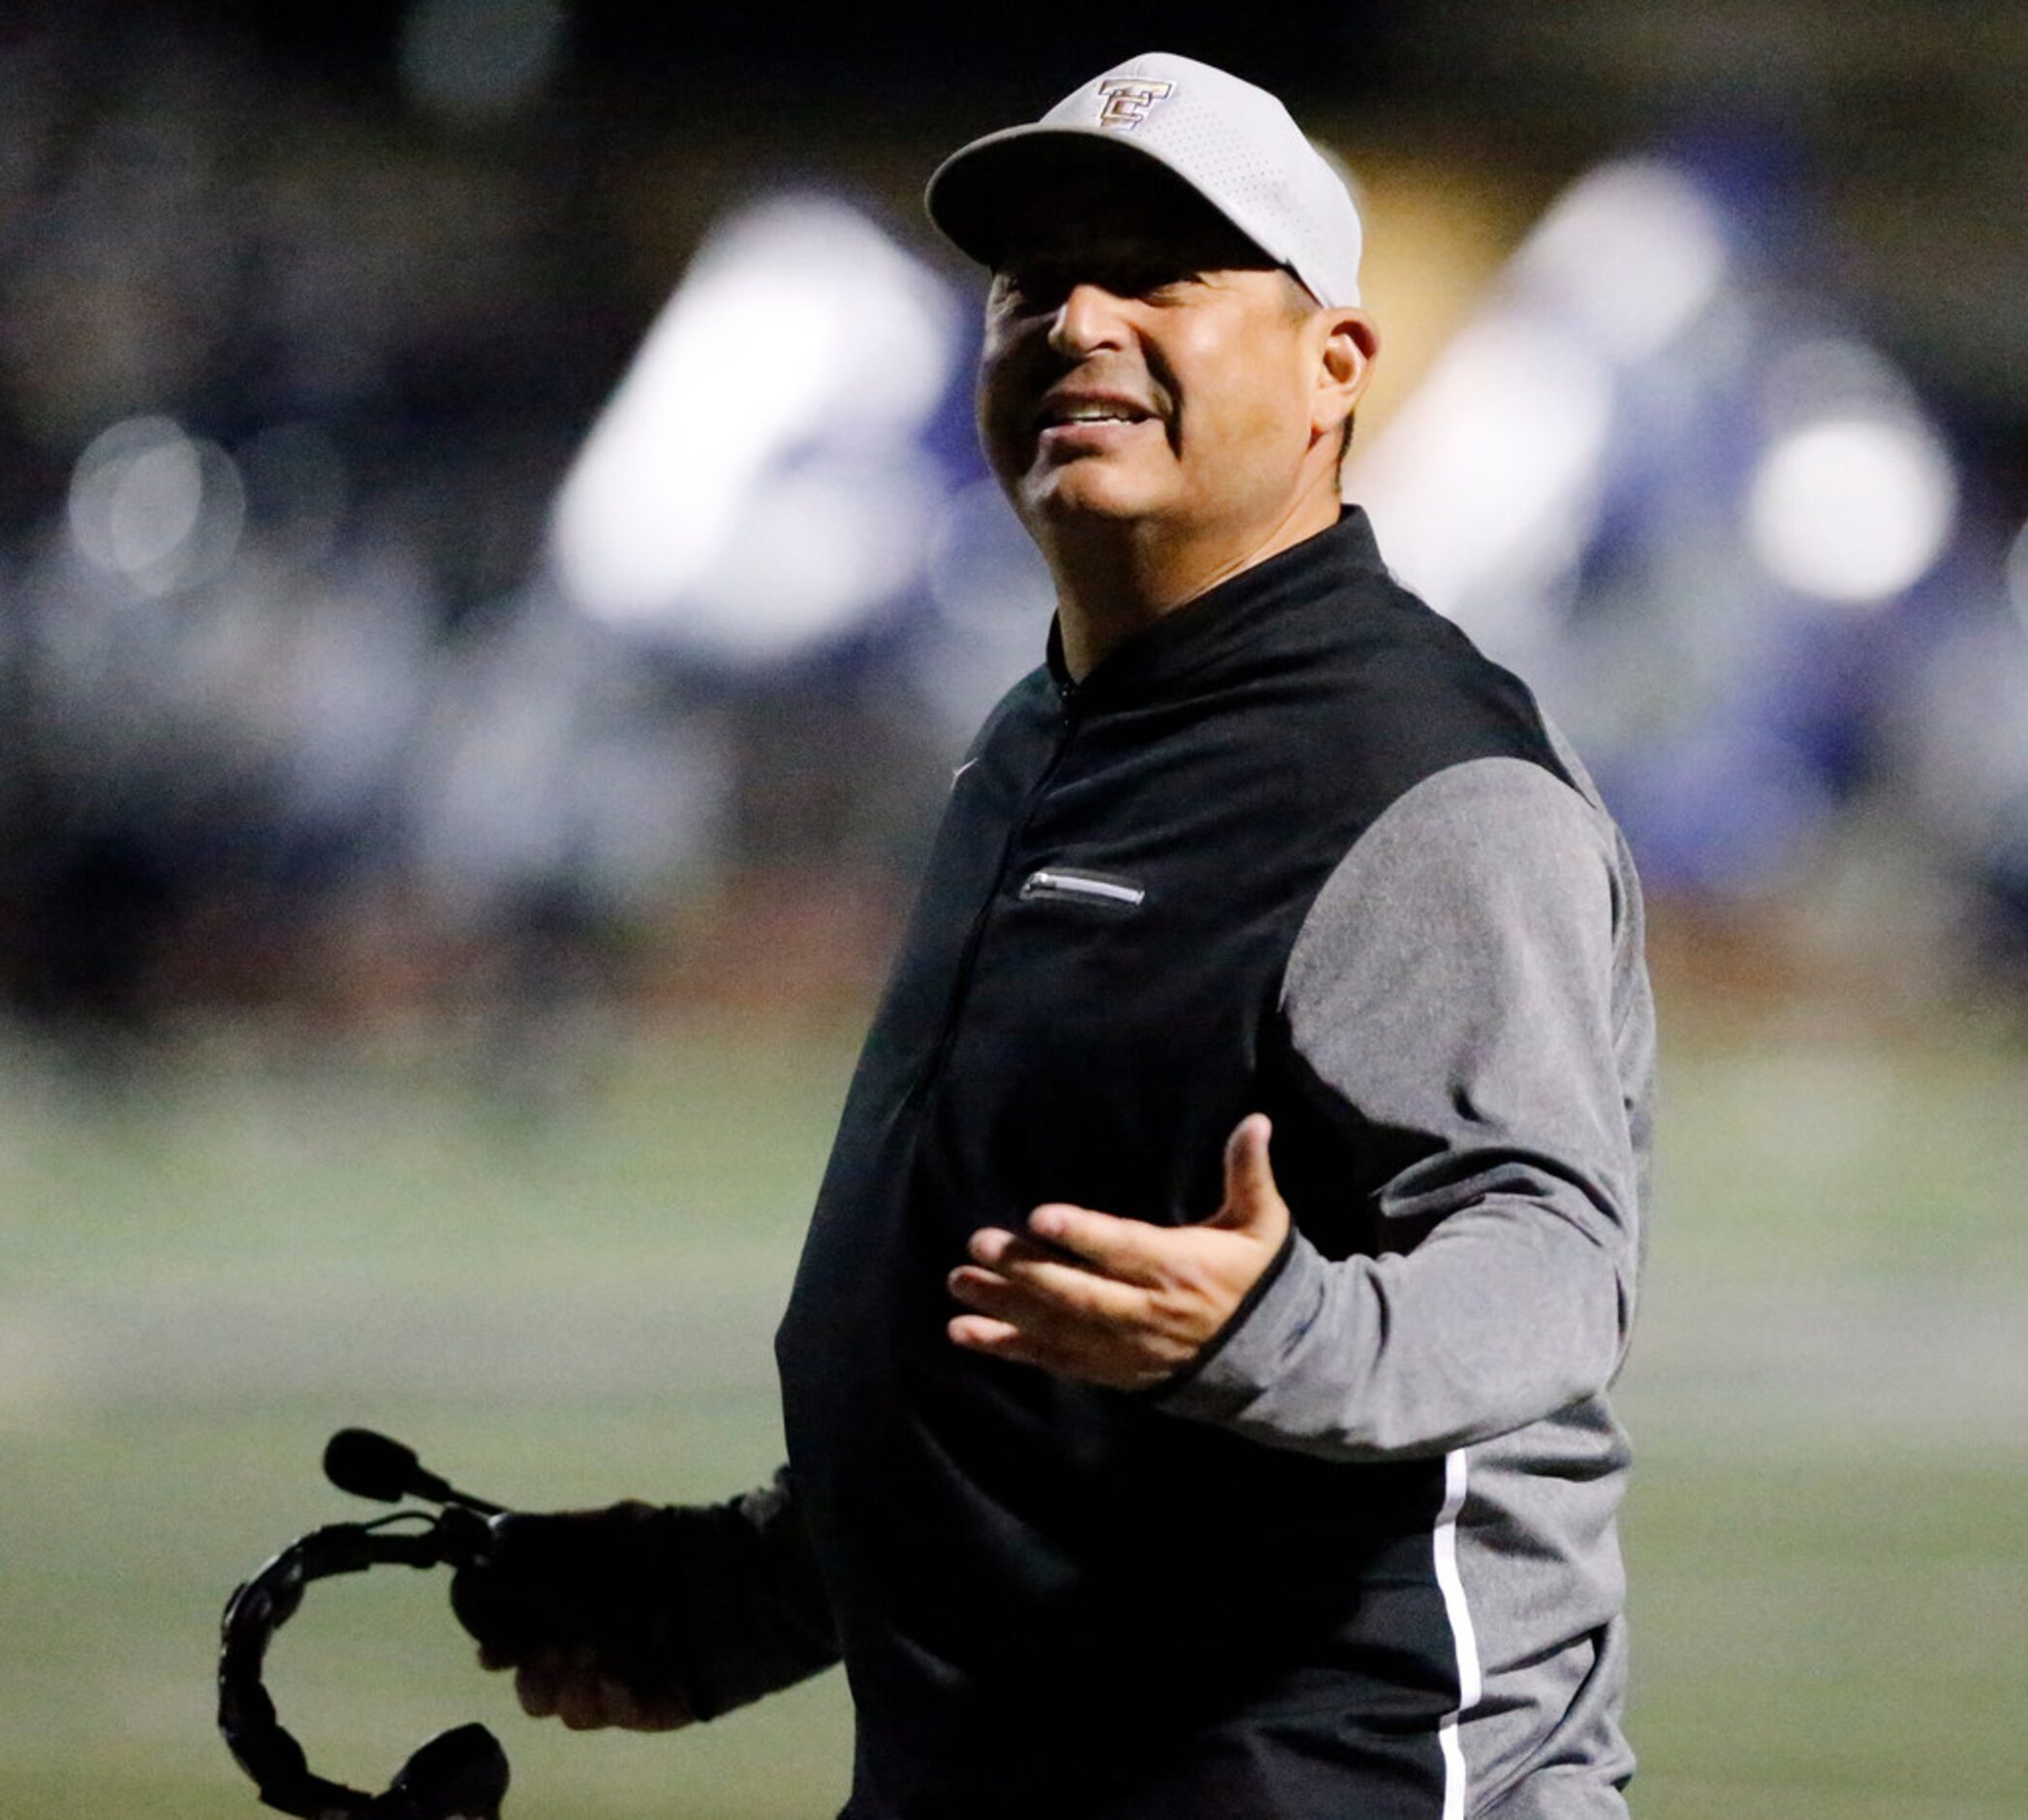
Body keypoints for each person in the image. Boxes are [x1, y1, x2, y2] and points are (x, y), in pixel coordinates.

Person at [451, 50, 1656, 1820]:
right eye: (1034, 282)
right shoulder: (1049, 734)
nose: (1080, 318)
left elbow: (1551, 1264)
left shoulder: (1415, 777)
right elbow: (1027, 1321)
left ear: (1334, 367)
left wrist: (1278, 1319)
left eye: (1160, 271)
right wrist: (746, 1593)